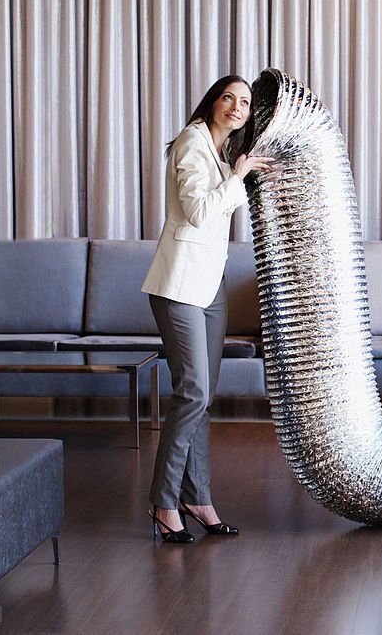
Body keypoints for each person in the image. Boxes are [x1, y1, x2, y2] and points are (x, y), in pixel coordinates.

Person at [142, 75, 273, 542]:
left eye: (244, 102)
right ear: (213, 101)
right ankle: (162, 502)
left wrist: (241, 172)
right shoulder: (192, 142)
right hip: (179, 285)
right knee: (192, 392)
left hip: (209, 285)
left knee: (203, 397)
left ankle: (197, 497)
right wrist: (239, 177)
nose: (236, 106)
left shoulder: (219, 153)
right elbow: (199, 212)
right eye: (229, 98)